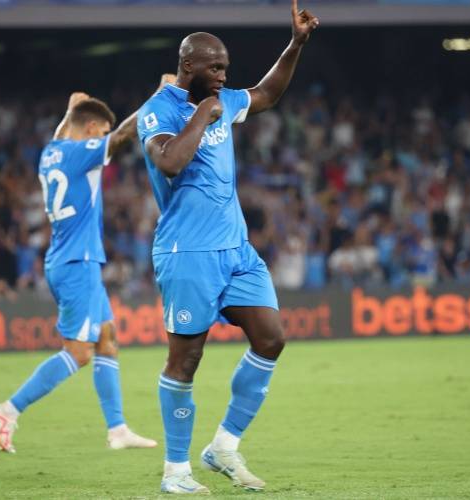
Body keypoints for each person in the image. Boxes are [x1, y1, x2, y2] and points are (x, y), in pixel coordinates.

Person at [136, 0, 319, 493]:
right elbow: (169, 162)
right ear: (188, 65)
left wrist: (295, 44)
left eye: (225, 68)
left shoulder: (223, 99)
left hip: (236, 250)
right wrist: (202, 113)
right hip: (187, 253)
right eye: (214, 68)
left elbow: (266, 94)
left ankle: (223, 446)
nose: (222, 76)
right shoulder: (157, 111)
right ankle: (176, 472)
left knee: (271, 338)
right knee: (186, 360)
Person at [0, 75, 175, 454]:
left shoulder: (51, 152)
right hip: (77, 263)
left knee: (106, 339)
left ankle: (118, 430)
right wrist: (158, 96)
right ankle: (8, 410)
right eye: (98, 132)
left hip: (67, 259)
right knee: (79, 351)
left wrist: (70, 111)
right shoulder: (81, 152)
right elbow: (121, 136)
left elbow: (65, 132)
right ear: (90, 130)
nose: (101, 139)